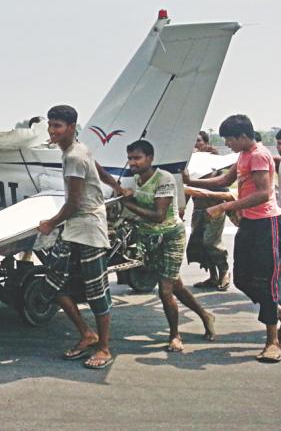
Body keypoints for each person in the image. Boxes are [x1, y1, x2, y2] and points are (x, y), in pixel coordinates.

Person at [183, 114, 281, 363]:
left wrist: (225, 207)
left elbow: (263, 194)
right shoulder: (244, 156)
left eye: (230, 139)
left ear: (242, 137)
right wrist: (190, 181)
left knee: (267, 282)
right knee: (243, 280)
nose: (227, 144)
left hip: (265, 224)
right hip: (249, 223)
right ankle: (274, 310)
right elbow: (225, 180)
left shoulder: (259, 155)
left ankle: (272, 342)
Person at [37, 105, 120, 370]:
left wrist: (50, 223)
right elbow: (99, 170)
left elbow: (73, 204)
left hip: (89, 229)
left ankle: (104, 348)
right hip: (74, 228)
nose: (52, 130)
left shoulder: (74, 156)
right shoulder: (78, 149)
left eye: (58, 126)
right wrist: (116, 186)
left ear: (72, 127)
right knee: (54, 284)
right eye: (50, 125)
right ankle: (87, 334)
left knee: (97, 292)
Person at [120, 140, 216, 352]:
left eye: (137, 158)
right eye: (129, 158)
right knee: (176, 285)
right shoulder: (136, 179)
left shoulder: (163, 178)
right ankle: (205, 315)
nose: (132, 162)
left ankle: (175, 335)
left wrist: (129, 204)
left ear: (150, 159)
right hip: (150, 239)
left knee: (165, 290)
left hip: (171, 236)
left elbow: (158, 215)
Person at [187, 131, 231, 291]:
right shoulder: (189, 164)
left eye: (198, 141)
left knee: (211, 242)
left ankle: (224, 272)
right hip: (198, 210)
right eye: (193, 141)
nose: (195, 144)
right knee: (200, 243)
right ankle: (213, 276)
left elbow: (220, 183)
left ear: (205, 143)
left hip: (215, 209)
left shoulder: (214, 163)